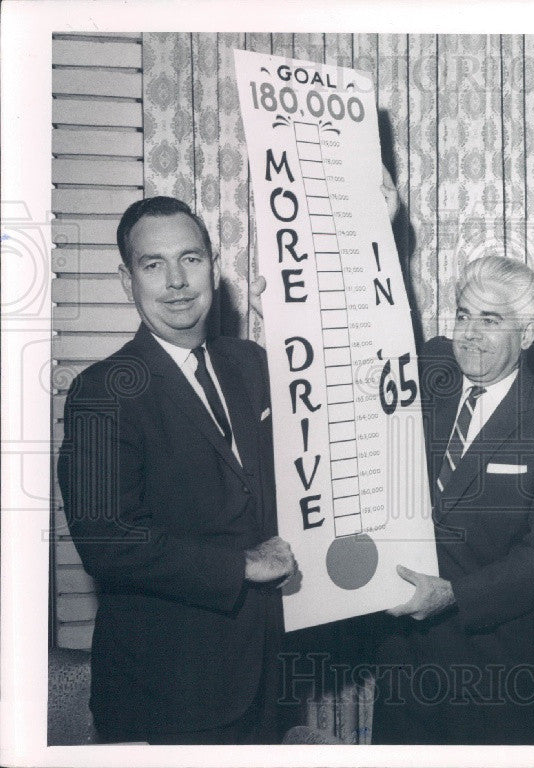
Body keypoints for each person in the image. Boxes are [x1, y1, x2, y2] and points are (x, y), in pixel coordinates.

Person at [57, 196, 298, 744]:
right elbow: (105, 538)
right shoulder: (102, 390)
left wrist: (294, 330)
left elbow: (333, 433)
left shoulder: (253, 364)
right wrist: (241, 565)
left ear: (213, 268)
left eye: (190, 259)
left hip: (264, 674)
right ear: (127, 280)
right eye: (153, 264)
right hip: (165, 696)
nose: (176, 282)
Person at [371, 255, 534, 744]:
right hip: (404, 664)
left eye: (490, 319)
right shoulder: (430, 373)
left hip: (497, 673)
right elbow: (367, 333)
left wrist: (455, 595)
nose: (469, 333)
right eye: (463, 315)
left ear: (526, 334)